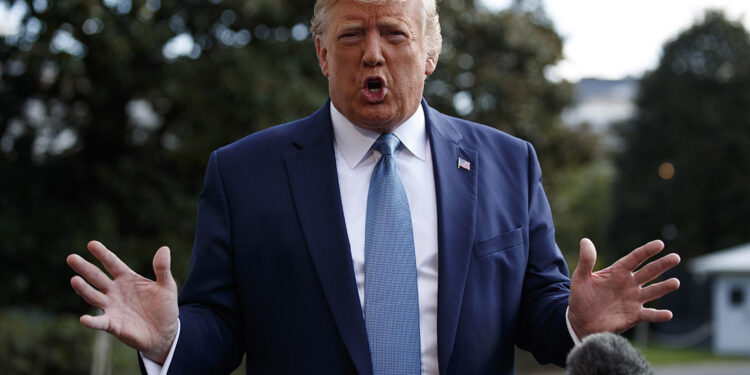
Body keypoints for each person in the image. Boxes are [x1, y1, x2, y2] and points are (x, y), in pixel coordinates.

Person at [66, 0, 681, 374]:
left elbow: (537, 314)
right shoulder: (243, 173)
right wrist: (170, 340)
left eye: (394, 32)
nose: (373, 54)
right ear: (323, 55)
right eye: (351, 36)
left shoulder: (507, 164)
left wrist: (576, 320)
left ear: (430, 52)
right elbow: (220, 327)